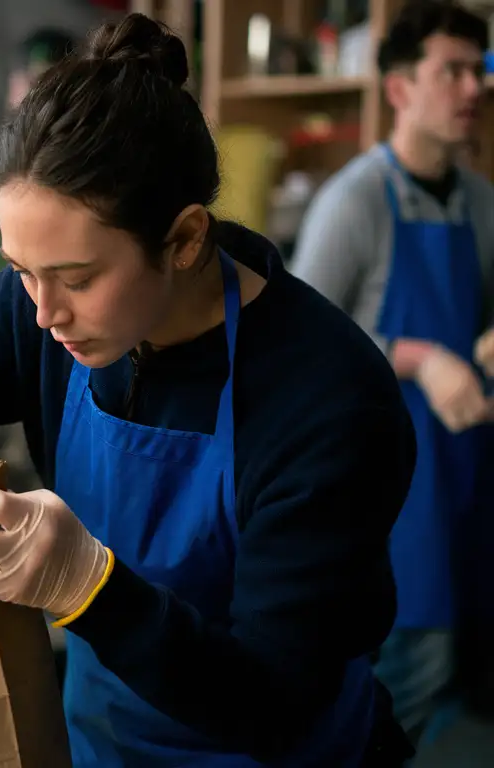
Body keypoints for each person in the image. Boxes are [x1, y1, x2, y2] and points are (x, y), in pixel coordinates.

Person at [0, 14, 417, 766]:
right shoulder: (35, 308)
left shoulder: (327, 396)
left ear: (185, 239)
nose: (43, 312)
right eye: (19, 270)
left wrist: (90, 588)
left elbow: (275, 702)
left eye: (77, 278)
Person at [290, 0, 494, 748]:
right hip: (393, 503)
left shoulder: (481, 203)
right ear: (401, 90)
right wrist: (416, 356)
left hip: (469, 479)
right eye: (453, 71)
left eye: (480, 70)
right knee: (405, 682)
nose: (474, 87)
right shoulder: (354, 202)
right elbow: (298, 348)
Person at [0, 28, 77, 213]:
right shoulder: (12, 136)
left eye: (39, 82)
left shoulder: (77, 137)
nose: (28, 94)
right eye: (24, 82)